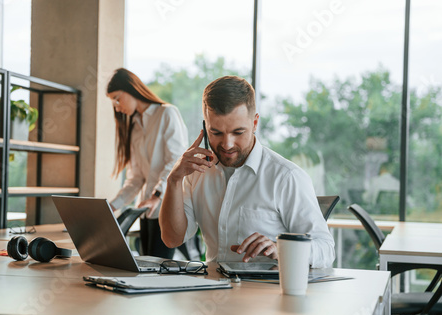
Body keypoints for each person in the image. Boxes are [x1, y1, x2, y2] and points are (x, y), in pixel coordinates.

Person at [159, 76, 335, 268]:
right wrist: (174, 180)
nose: (227, 144)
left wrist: (281, 249)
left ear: (255, 123)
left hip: (264, 293)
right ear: (205, 127)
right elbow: (172, 239)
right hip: (211, 291)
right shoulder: (196, 172)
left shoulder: (286, 177)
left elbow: (326, 249)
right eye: (216, 132)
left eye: (238, 132)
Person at [106, 68, 188, 259]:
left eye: (117, 99)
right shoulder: (134, 127)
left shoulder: (167, 113)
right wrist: (112, 206)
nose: (117, 107)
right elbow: (136, 178)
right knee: (147, 269)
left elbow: (176, 162)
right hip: (146, 212)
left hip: (166, 208)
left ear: (131, 88)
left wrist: (157, 195)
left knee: (161, 272)